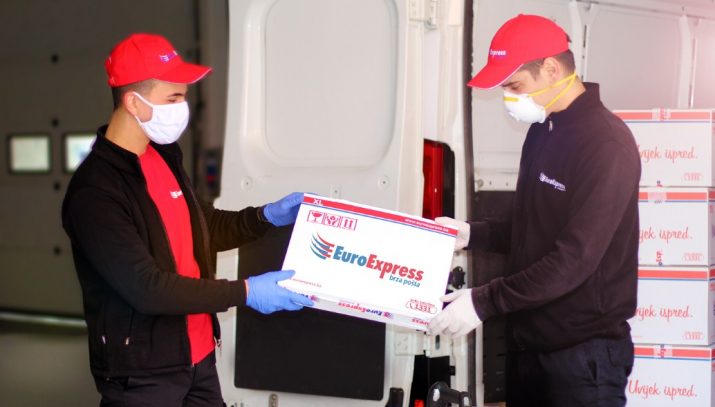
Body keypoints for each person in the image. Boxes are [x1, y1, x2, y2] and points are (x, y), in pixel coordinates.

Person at [61, 33, 313, 406]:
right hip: (143, 376)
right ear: (134, 102)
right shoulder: (95, 191)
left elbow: (204, 228)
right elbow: (146, 287)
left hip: (198, 358)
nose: (183, 108)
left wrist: (265, 217)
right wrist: (246, 292)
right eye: (173, 98)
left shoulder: (164, 156)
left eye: (183, 97)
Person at [429, 14, 640, 406]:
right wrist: (471, 234)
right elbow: (531, 227)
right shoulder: (542, 131)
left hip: (583, 357)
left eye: (515, 86)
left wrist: (483, 301)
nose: (509, 98)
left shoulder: (607, 145)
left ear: (551, 69)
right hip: (529, 346)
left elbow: (573, 260)